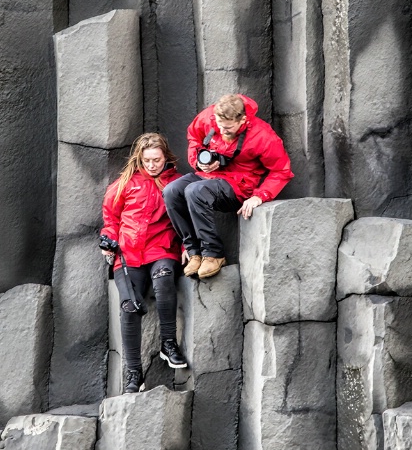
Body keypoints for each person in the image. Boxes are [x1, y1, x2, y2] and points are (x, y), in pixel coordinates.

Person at [163, 94, 293, 280]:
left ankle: (214, 254)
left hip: (239, 186)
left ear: (243, 120)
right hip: (207, 176)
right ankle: (194, 252)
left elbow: (281, 171)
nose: (223, 130)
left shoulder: (262, 135)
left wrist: (260, 196)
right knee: (171, 191)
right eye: (219, 125)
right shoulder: (208, 117)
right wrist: (199, 161)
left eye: (229, 127)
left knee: (195, 191)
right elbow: (194, 137)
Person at [100, 133, 187, 395]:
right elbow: (110, 218)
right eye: (147, 160)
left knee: (164, 278)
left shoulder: (176, 183)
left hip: (162, 247)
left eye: (157, 160)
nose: (152, 165)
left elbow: (186, 219)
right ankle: (134, 373)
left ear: (165, 157)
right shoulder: (123, 183)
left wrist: (186, 247)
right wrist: (108, 240)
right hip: (129, 253)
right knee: (129, 307)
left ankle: (168, 344)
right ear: (140, 158)